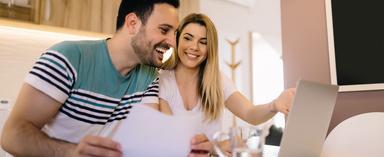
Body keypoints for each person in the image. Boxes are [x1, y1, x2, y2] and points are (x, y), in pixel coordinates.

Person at [0, 0, 179, 156]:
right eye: (164, 30)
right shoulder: (68, 58)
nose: (172, 42)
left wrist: (185, 148)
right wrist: (72, 152)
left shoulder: (148, 76)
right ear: (132, 23)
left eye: (174, 33)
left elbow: (147, 138)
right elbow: (12, 135)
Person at [148, 13, 295, 156]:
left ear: (209, 48)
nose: (194, 47)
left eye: (203, 42)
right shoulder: (160, 81)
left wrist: (274, 105)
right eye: (188, 38)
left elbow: (250, 114)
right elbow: (171, 140)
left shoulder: (217, 80)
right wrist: (215, 146)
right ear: (177, 39)